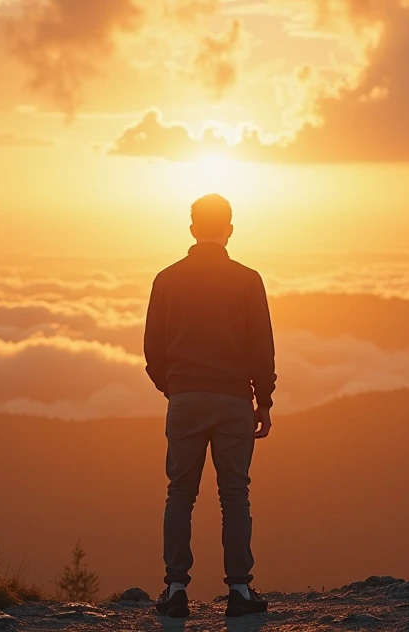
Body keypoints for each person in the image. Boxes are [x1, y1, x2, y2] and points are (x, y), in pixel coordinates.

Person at [144, 193, 276, 618]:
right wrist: (264, 399)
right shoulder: (247, 280)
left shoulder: (166, 279)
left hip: (184, 399)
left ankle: (176, 589)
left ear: (192, 229)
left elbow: (152, 349)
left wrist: (175, 389)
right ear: (230, 230)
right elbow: (262, 347)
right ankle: (240, 591)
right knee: (235, 495)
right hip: (235, 399)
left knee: (179, 494)